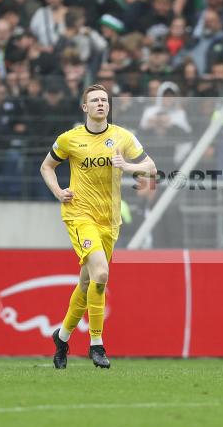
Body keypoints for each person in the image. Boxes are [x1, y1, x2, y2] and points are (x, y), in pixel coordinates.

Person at [41, 84, 156, 370]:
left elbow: (151, 168)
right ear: (85, 107)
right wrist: (58, 191)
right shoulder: (69, 140)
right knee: (101, 273)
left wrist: (127, 166)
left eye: (104, 100)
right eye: (94, 100)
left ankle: (63, 336)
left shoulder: (121, 137)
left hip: (110, 220)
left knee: (86, 281)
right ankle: (96, 344)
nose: (101, 104)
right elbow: (47, 167)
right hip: (79, 215)